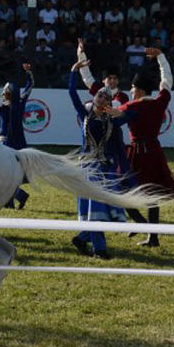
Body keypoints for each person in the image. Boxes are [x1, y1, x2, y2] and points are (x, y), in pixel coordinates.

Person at [67, 57, 132, 260]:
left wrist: (120, 114)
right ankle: (99, 249)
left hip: (105, 168)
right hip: (88, 167)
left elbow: (134, 116)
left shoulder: (112, 120)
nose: (102, 98)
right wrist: (73, 71)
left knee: (107, 207)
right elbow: (72, 93)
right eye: (100, 96)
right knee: (96, 205)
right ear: (94, 98)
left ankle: (83, 237)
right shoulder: (85, 115)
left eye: (106, 98)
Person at [118, 47, 174, 246]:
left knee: (121, 190)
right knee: (153, 194)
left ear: (139, 90)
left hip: (137, 153)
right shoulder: (159, 102)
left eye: (132, 88)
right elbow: (167, 81)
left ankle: (141, 224)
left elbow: (112, 114)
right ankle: (151, 235)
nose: (130, 91)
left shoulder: (132, 106)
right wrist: (161, 58)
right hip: (154, 152)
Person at [0, 63, 34, 209]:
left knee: (3, 174)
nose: (3, 94)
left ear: (7, 93)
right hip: (17, 143)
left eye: (4, 92)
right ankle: (12, 200)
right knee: (11, 174)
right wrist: (28, 73)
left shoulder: (2, 106)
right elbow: (29, 87)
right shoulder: (20, 103)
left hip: (3, 143)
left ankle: (18, 197)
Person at [76, 38, 129, 106]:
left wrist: (92, 103)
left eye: (115, 78)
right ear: (103, 80)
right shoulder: (99, 90)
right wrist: (81, 54)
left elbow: (116, 105)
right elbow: (86, 77)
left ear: (118, 80)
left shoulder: (123, 96)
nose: (112, 80)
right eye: (109, 78)